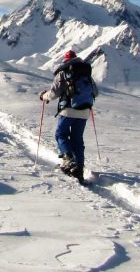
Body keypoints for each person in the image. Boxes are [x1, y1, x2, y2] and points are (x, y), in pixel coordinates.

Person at [39, 50, 98, 181]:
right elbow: (96, 92)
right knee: (77, 138)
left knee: (61, 134)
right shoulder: (86, 73)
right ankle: (79, 169)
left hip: (68, 110)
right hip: (84, 111)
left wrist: (44, 96)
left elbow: (54, 93)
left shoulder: (63, 73)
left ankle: (68, 159)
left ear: (65, 60)